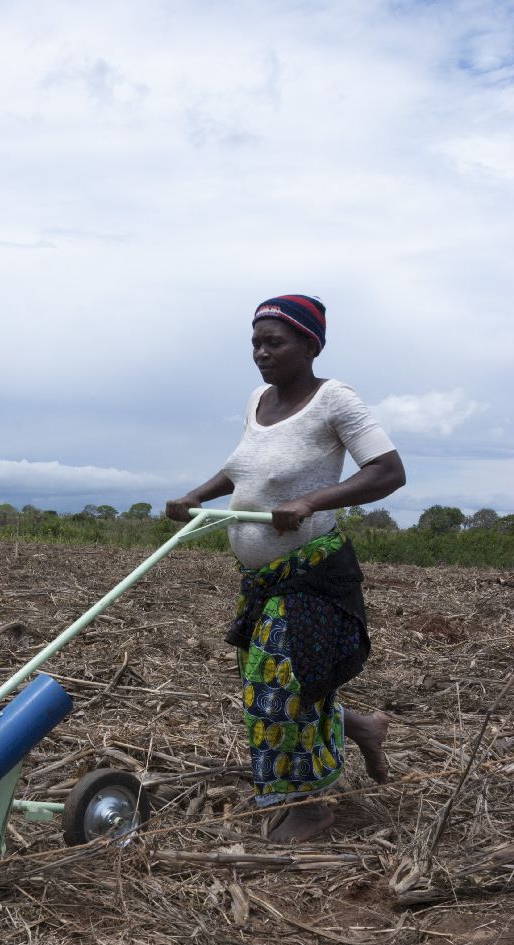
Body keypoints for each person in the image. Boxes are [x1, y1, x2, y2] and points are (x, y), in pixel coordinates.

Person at [166, 294, 405, 843]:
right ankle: (362, 728)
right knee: (280, 681)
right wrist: (194, 495)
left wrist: (312, 501)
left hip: (312, 574)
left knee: (275, 684)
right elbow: (242, 470)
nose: (261, 352)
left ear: (309, 345)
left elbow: (389, 471)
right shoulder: (258, 400)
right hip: (262, 579)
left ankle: (311, 806)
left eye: (274, 342)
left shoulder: (334, 400)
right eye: (255, 342)